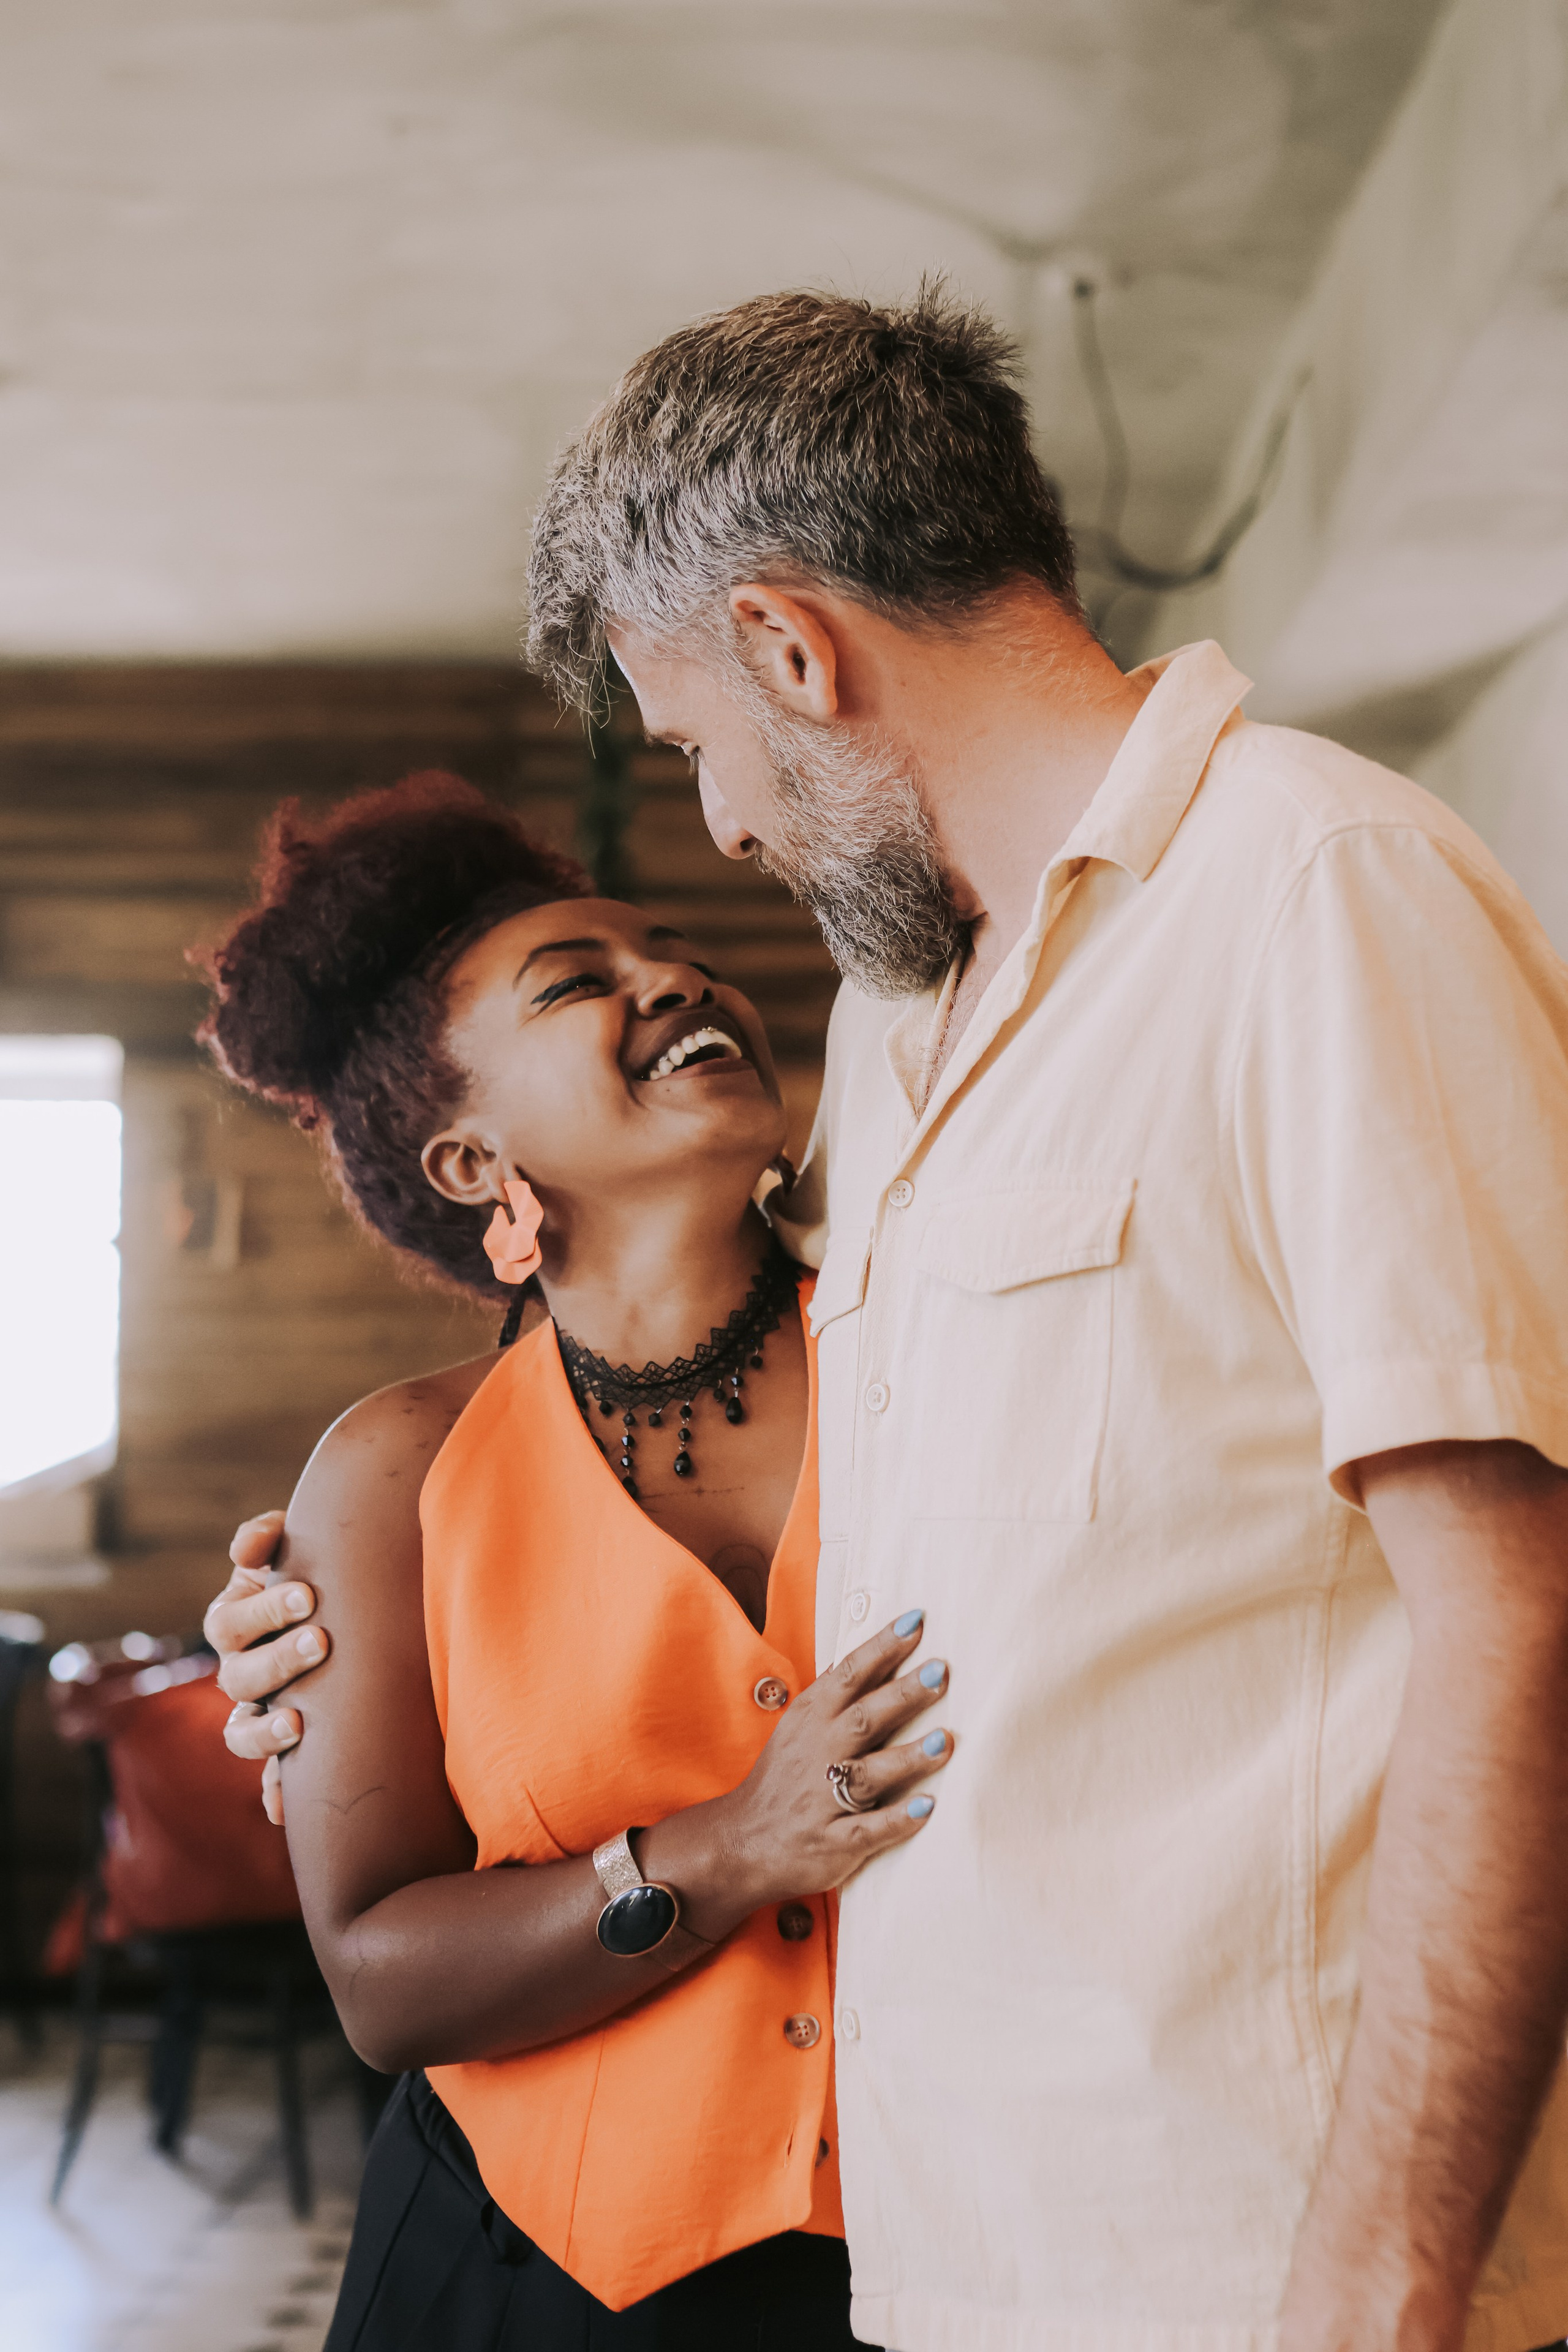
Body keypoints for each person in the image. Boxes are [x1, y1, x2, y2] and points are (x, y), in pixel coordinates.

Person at [210, 290, 1568, 2352]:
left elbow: (1517, 1606)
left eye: (695, 746)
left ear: (789, 648)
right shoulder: (903, 1028)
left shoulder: (1319, 885)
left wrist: (1382, 2284)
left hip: (1238, 2257)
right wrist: (309, 1626)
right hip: (950, 2262)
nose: (726, 830)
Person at [196, 771, 954, 2350]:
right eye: (577, 984)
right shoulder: (396, 1471)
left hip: (945, 2251)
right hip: (523, 2280)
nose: (675, 980)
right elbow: (380, 1981)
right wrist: (733, 1846)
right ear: (471, 1164)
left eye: (677, 954)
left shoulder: (933, 1347)